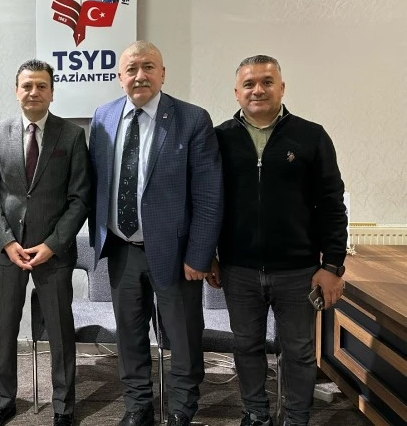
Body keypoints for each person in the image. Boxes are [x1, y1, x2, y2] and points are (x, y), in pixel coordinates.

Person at [89, 41, 223, 426]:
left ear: (163, 74)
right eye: (131, 69)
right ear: (119, 77)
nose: (140, 76)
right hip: (121, 249)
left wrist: (199, 255)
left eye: (148, 67)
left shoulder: (192, 119)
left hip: (176, 254)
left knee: (182, 336)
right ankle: (138, 407)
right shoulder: (103, 117)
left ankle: (181, 409)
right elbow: (97, 181)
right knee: (129, 336)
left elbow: (209, 194)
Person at [208, 55, 347, 426]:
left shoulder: (311, 136)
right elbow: (207, 202)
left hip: (298, 270)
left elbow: (332, 204)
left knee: (299, 350)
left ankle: (296, 417)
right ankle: (255, 413)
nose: (258, 90)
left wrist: (332, 265)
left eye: (267, 82)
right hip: (238, 269)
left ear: (281, 88)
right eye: (249, 83)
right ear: (236, 92)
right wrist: (208, 254)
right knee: (246, 346)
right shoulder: (218, 139)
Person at [0, 59, 92, 426]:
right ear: (17, 91)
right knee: (4, 329)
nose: (34, 92)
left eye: (42, 86)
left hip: (53, 253)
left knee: (59, 330)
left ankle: (63, 406)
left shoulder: (71, 136)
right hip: (6, 252)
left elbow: (80, 198)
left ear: (52, 92)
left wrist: (53, 244)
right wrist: (6, 241)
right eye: (27, 85)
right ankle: (4, 400)